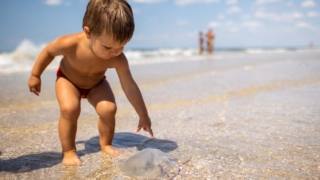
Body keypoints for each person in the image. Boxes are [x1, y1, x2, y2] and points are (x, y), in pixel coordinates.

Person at [28, 0, 153, 166]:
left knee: (109, 109)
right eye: (108, 47)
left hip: (96, 83)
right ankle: (69, 150)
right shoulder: (70, 43)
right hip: (68, 79)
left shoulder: (118, 59)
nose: (115, 53)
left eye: (121, 47)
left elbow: (129, 86)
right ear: (88, 32)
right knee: (70, 108)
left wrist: (143, 115)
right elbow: (48, 52)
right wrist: (36, 75)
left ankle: (106, 144)